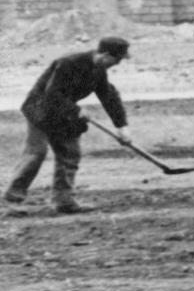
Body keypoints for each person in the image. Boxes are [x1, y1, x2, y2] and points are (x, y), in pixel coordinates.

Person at [5, 37, 133, 215]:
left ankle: (64, 201)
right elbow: (52, 93)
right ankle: (12, 200)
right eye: (117, 59)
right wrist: (76, 109)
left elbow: (109, 96)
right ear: (105, 55)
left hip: (64, 113)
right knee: (36, 153)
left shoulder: (99, 69)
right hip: (40, 109)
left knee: (70, 153)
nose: (118, 63)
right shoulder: (68, 63)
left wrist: (122, 127)